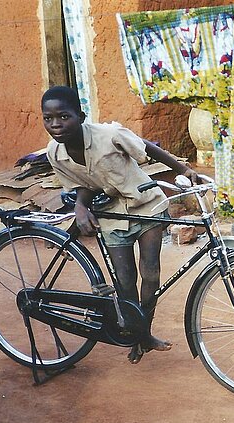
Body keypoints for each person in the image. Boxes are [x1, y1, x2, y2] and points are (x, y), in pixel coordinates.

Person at [41, 85, 200, 364]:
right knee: (125, 282)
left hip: (146, 206)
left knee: (150, 274)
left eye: (64, 116)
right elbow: (83, 185)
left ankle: (144, 333)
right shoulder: (55, 153)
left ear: (80, 115)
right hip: (111, 215)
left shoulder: (109, 135)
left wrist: (184, 170)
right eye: (48, 118)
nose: (56, 124)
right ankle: (136, 335)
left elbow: (147, 147)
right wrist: (80, 206)